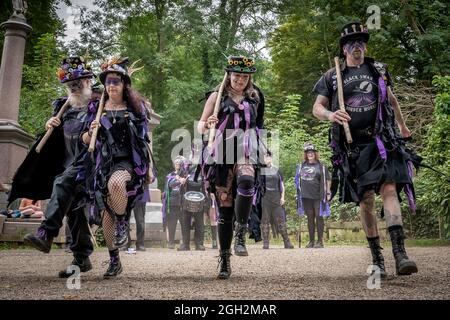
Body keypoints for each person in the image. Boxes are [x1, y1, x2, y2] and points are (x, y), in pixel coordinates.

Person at [312, 21, 418, 277]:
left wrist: (403, 127)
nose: (358, 47)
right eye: (352, 43)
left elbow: (391, 100)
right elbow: (317, 108)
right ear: (344, 48)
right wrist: (331, 115)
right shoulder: (332, 77)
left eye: (362, 42)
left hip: (382, 140)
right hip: (353, 147)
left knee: (390, 189)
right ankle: (377, 259)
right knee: (366, 201)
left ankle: (400, 253)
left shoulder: (378, 70)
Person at [15, 57, 96, 278]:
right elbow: (54, 139)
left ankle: (46, 232)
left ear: (88, 82)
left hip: (89, 165)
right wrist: (49, 124)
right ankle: (82, 258)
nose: (74, 87)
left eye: (78, 83)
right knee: (74, 210)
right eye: (70, 85)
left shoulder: (97, 106)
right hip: (67, 163)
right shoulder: (62, 106)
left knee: (63, 183)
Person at [198, 55, 264, 279]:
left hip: (247, 150)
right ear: (229, 75)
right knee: (225, 208)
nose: (240, 80)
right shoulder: (217, 97)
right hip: (221, 153)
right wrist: (207, 124)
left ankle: (242, 231)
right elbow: (200, 127)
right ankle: (225, 259)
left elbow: (259, 125)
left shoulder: (256, 97)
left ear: (249, 78)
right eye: (236, 75)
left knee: (247, 181)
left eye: (245, 77)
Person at [83, 56, 150, 278]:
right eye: (108, 82)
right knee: (105, 217)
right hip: (103, 163)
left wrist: (149, 169)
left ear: (124, 85)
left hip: (127, 162)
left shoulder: (134, 108)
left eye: (116, 81)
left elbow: (143, 140)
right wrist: (91, 132)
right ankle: (114, 261)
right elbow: (84, 139)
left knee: (117, 183)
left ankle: (123, 223)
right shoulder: (96, 108)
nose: (111, 85)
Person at [294, 143, 331, 248]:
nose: (310, 154)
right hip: (305, 196)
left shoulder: (321, 166)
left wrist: (328, 193)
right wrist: (297, 192)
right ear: (306, 154)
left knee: (319, 217)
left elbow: (328, 180)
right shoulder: (302, 165)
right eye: (308, 153)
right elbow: (297, 180)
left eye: (312, 152)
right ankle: (311, 241)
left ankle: (320, 241)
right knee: (310, 218)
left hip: (318, 196)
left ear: (315, 153)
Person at [260, 152, 294, 249]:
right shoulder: (260, 170)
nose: (267, 159)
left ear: (271, 158)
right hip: (265, 198)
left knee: (281, 220)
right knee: (265, 220)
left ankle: (286, 242)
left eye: (269, 157)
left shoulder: (277, 170)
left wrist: (282, 197)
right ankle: (266, 242)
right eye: (265, 157)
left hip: (276, 198)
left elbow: (282, 185)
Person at [179, 143, 206, 251]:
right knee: (185, 220)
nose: (197, 150)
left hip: (200, 192)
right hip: (187, 192)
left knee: (199, 220)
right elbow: (179, 175)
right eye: (195, 147)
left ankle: (199, 244)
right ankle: (185, 244)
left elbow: (208, 176)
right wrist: (181, 179)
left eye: (199, 148)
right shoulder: (186, 163)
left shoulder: (205, 162)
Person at [162, 156, 186, 249]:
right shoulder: (170, 175)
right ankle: (171, 242)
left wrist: (181, 178)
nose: (177, 164)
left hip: (183, 202)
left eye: (179, 163)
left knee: (184, 224)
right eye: (176, 163)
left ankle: (185, 242)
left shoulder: (185, 174)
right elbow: (170, 185)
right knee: (172, 224)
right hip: (172, 203)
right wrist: (179, 181)